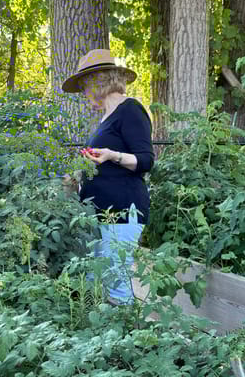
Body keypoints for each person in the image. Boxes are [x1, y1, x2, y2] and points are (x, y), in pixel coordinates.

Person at [61, 48, 154, 304]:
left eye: (84, 86)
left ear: (98, 82)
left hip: (123, 210)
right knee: (92, 281)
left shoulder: (130, 109)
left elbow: (146, 160)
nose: (83, 93)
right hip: (100, 212)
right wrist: (79, 175)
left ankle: (129, 341)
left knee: (116, 282)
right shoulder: (105, 118)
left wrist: (112, 155)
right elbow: (102, 164)